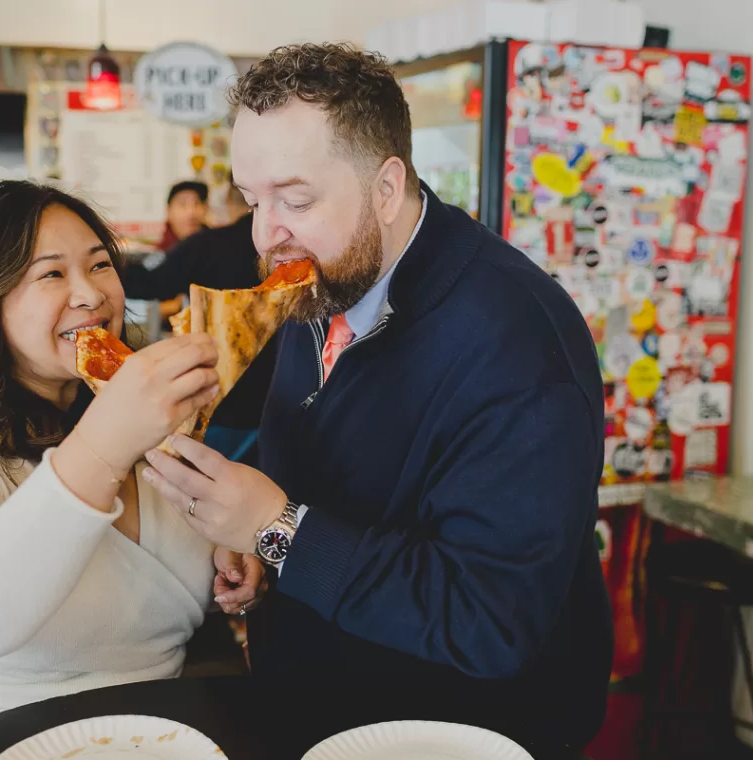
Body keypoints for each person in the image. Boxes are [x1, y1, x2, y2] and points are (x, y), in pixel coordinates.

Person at [143, 43, 613, 755]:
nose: (267, 235)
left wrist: (280, 530)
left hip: (455, 734)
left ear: (388, 188)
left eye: (295, 199)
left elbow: (491, 619)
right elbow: (323, 486)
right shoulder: (328, 277)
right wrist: (261, 551)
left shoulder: (518, 344)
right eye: (250, 200)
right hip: (313, 710)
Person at [0, 180, 263, 759]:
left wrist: (229, 553)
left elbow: (177, 577)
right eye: (51, 274)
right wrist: (104, 444)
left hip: (147, 740)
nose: (90, 295)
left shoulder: (150, 418)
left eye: (100, 265)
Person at [122, 179, 270, 463]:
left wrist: (102, 262)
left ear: (224, 204)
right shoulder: (294, 248)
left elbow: (150, 284)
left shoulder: (206, 246)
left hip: (222, 396)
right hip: (284, 396)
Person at [158, 180, 208, 253]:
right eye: (182, 205)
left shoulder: (217, 250)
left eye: (197, 203)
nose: (191, 212)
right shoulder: (159, 256)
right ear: (168, 212)